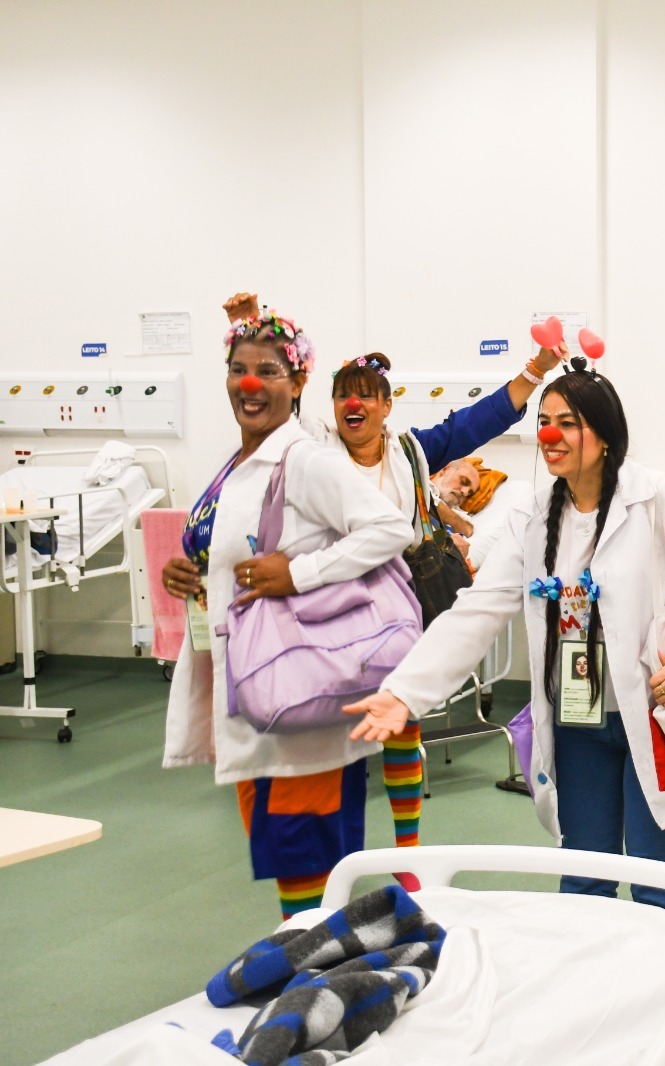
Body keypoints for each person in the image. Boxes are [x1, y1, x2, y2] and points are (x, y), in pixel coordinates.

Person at [342, 357, 665, 915]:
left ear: (604, 435)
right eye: (544, 420)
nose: (550, 435)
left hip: (651, 715)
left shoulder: (660, 500)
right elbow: (478, 609)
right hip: (578, 720)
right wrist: (405, 691)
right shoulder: (533, 516)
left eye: (568, 422)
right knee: (584, 877)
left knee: (657, 883)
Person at [221, 292, 557, 865]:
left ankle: (406, 856)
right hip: (321, 612)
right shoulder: (314, 451)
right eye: (344, 397)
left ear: (385, 406)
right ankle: (317, 847)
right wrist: (247, 326)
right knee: (324, 730)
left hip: (395, 611)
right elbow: (278, 407)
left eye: (367, 397)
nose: (355, 405)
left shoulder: (410, 453)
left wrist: (536, 371)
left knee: (403, 723)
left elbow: (480, 420)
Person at [160, 309, 413, 920]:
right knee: (285, 855)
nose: (250, 384)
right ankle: (313, 975)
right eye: (238, 370)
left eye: (269, 371)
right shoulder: (236, 463)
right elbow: (235, 549)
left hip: (301, 698)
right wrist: (188, 571)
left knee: (308, 859)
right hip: (254, 689)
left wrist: (296, 574)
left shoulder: (305, 460)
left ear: (297, 383)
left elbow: (389, 528)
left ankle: (322, 982)